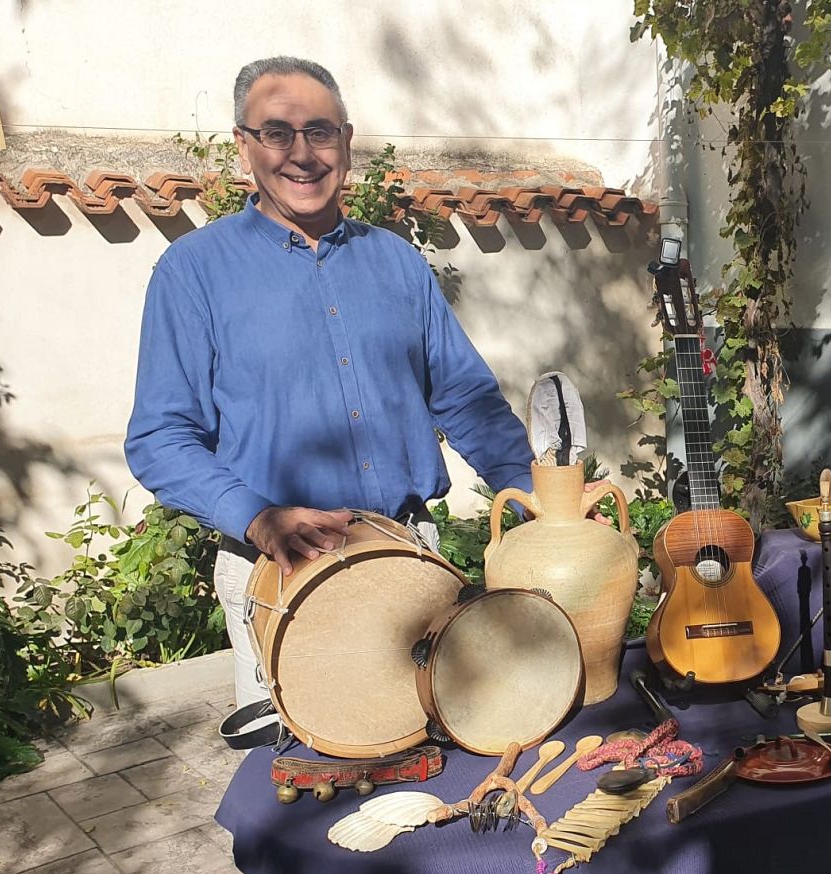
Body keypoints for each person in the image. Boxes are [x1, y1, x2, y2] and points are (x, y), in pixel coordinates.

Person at [124, 56, 535, 710]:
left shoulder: (397, 263)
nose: (302, 154)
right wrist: (257, 518)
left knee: (439, 764)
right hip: (281, 572)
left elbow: (465, 397)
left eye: (319, 131)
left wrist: (539, 494)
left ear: (346, 142)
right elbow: (160, 438)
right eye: (276, 133)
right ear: (243, 147)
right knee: (304, 782)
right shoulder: (193, 273)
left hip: (412, 558)